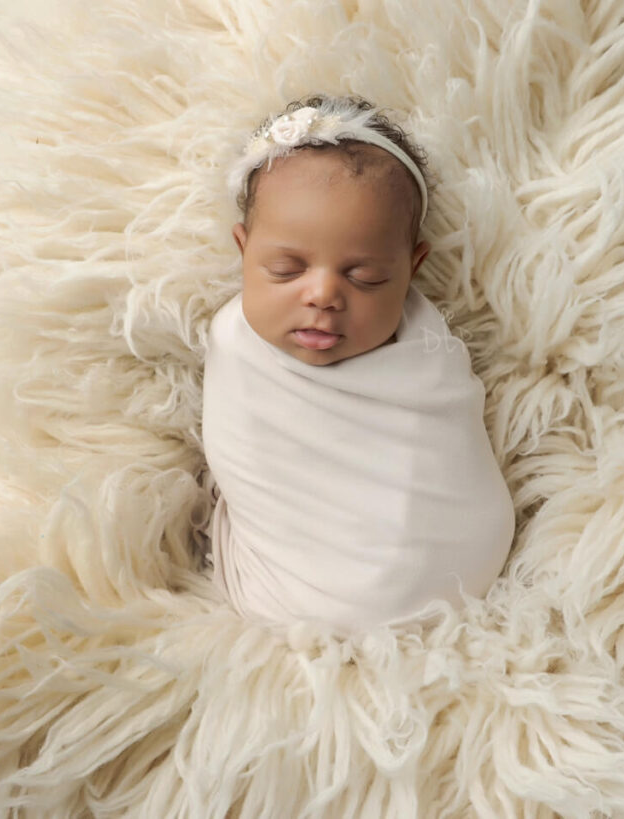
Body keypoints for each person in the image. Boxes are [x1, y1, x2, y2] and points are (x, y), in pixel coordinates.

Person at [200, 94, 515, 636]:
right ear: (243, 249)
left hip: (452, 570)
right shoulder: (235, 344)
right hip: (299, 593)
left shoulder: (425, 349)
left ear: (412, 267)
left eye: (365, 278)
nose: (323, 295)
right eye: (285, 270)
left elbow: (443, 451)